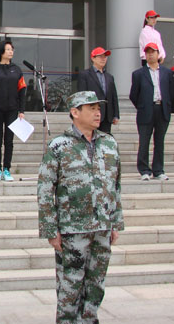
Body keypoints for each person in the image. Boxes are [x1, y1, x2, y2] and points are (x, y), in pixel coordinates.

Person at [38, 91, 124, 324]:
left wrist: (115, 222)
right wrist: (50, 229)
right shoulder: (59, 146)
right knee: (70, 285)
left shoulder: (109, 143)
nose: (97, 113)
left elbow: (115, 185)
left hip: (102, 227)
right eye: (91, 108)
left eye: (98, 108)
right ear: (75, 113)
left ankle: (89, 320)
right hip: (72, 229)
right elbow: (45, 190)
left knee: (96, 284)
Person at [129, 43, 174, 181]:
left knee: (159, 141)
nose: (150, 55)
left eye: (153, 52)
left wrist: (168, 106)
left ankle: (158, 170)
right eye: (148, 52)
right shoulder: (138, 74)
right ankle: (144, 170)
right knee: (144, 141)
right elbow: (133, 95)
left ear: (158, 53)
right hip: (146, 111)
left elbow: (172, 92)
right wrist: (142, 106)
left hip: (162, 109)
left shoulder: (167, 73)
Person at [0, 40, 26, 182]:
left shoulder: (17, 70)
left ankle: (7, 169)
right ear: (1, 51)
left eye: (12, 49)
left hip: (12, 110)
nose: (10, 51)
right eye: (8, 49)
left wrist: (22, 110)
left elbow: (22, 91)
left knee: (9, 141)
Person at [77, 46, 120, 134]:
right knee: (91, 138)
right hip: (90, 114)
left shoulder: (109, 77)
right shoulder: (85, 75)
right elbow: (82, 96)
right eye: (100, 56)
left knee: (104, 139)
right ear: (93, 58)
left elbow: (114, 97)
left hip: (107, 116)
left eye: (105, 57)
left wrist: (116, 115)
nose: (103, 59)